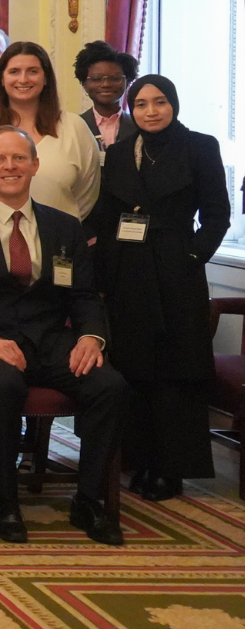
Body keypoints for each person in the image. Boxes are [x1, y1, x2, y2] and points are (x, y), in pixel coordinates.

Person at [0, 125, 127, 546]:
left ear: (35, 165)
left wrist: (92, 337)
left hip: (51, 343)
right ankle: (6, 502)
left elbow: (83, 295)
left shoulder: (65, 227)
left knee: (109, 385)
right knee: (5, 385)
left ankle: (88, 500)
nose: (10, 166)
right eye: (0, 159)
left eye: (19, 158)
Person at [89, 75, 230, 501]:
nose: (151, 111)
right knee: (134, 368)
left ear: (174, 104)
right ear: (131, 109)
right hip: (126, 271)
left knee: (175, 373)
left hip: (176, 272)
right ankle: (139, 459)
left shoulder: (199, 146)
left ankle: (172, 468)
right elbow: (106, 212)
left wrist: (192, 256)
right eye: (141, 104)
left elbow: (217, 215)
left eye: (160, 102)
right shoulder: (119, 152)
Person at [0, 42, 99, 219]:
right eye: (14, 72)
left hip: (57, 233)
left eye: (33, 71)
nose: (23, 79)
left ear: (46, 78)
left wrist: (61, 226)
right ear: (2, 79)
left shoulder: (75, 127)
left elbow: (87, 192)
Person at [74, 41, 137, 153]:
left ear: (127, 82)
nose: (106, 84)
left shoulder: (139, 126)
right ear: (84, 84)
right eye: (97, 79)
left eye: (115, 78)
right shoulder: (74, 126)